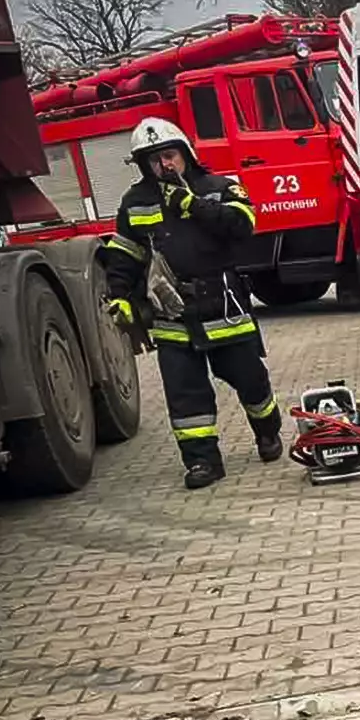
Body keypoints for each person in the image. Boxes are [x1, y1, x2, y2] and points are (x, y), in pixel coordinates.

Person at [99, 117, 283, 490]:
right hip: (172, 314)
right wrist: (120, 297)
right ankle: (202, 463)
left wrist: (193, 204)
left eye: (170, 155)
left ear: (185, 154)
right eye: (154, 160)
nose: (164, 165)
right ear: (143, 165)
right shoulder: (135, 202)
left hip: (224, 307)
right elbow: (125, 253)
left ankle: (267, 431)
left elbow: (242, 225)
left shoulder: (218, 187)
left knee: (250, 379)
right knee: (186, 394)